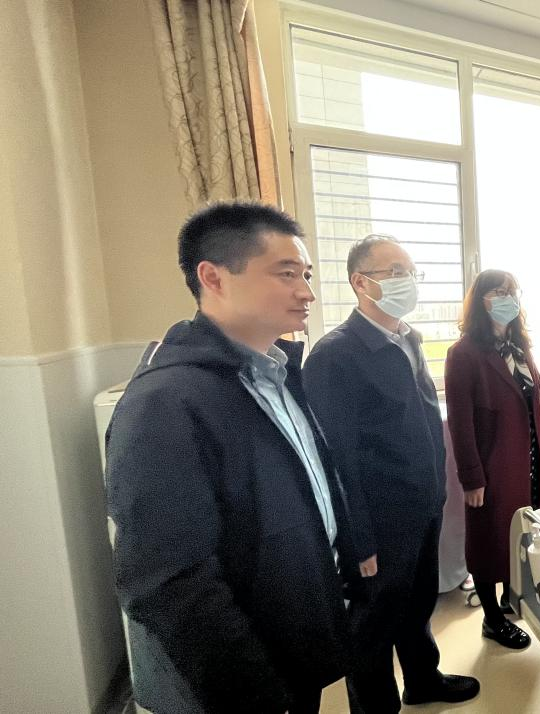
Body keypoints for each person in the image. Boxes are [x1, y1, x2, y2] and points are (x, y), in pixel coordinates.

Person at [105, 202, 372, 713]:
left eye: (307, 275)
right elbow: (169, 581)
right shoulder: (165, 403)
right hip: (244, 676)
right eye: (286, 273)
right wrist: (254, 696)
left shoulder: (276, 373)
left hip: (293, 639)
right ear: (214, 278)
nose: (307, 292)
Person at [303, 235, 479, 712]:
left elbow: (421, 422)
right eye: (395, 272)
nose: (408, 281)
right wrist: (358, 540)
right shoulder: (335, 355)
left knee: (418, 604)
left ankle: (423, 679)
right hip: (379, 519)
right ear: (361, 282)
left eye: (411, 272)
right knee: (373, 624)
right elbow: (337, 459)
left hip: (423, 503)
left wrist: (438, 491)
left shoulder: (408, 339)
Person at [444, 269, 540, 650]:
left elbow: (529, 400)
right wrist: (472, 476)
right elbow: (460, 423)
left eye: (513, 291)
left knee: (521, 530)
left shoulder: (519, 347)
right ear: (481, 300)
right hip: (493, 465)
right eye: (498, 292)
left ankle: (511, 598)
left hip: (529, 458)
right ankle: (491, 618)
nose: (508, 298)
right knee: (488, 540)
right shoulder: (463, 354)